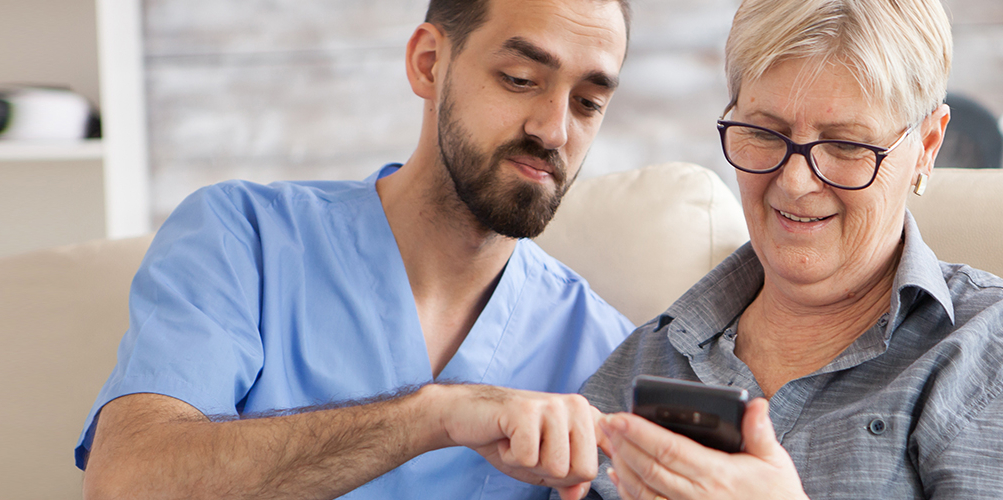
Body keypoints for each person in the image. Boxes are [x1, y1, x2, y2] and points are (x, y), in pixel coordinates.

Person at [76, 0, 634, 499]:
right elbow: (125, 484)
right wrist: (432, 415)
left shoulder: (606, 351)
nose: (555, 130)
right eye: (519, 79)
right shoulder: (240, 239)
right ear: (428, 63)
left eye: (587, 103)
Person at [577, 0, 1003, 498]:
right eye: (764, 132)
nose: (795, 182)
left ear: (927, 147)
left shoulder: (994, 351)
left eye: (846, 144)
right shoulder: (649, 358)